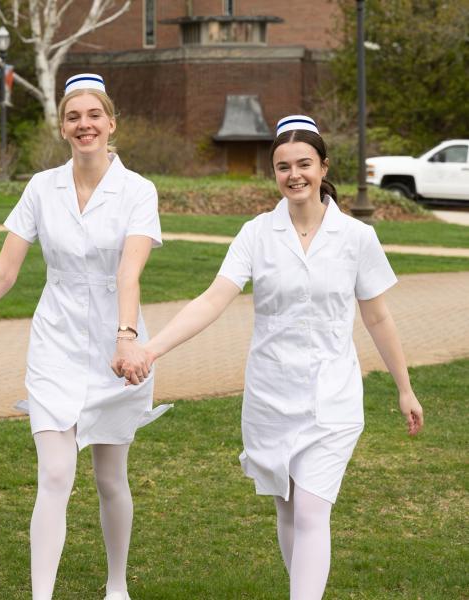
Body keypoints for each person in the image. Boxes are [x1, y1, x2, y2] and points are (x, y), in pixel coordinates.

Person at [125, 115, 424, 600]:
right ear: (274, 173)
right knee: (287, 508)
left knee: (310, 510)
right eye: (283, 166)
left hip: (332, 398)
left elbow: (378, 319)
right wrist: (151, 349)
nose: (294, 175)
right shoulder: (256, 234)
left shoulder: (356, 238)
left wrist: (405, 389)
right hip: (269, 397)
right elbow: (212, 299)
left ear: (324, 166)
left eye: (304, 163)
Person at [0, 74, 168, 600]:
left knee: (110, 477)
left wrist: (126, 337)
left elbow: (130, 271)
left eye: (93, 116)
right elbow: (3, 271)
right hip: (55, 344)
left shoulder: (138, 190)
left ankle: (117, 586)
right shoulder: (42, 187)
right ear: (62, 127)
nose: (84, 125)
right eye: (73, 117)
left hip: (116, 346)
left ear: (111, 123)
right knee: (56, 475)